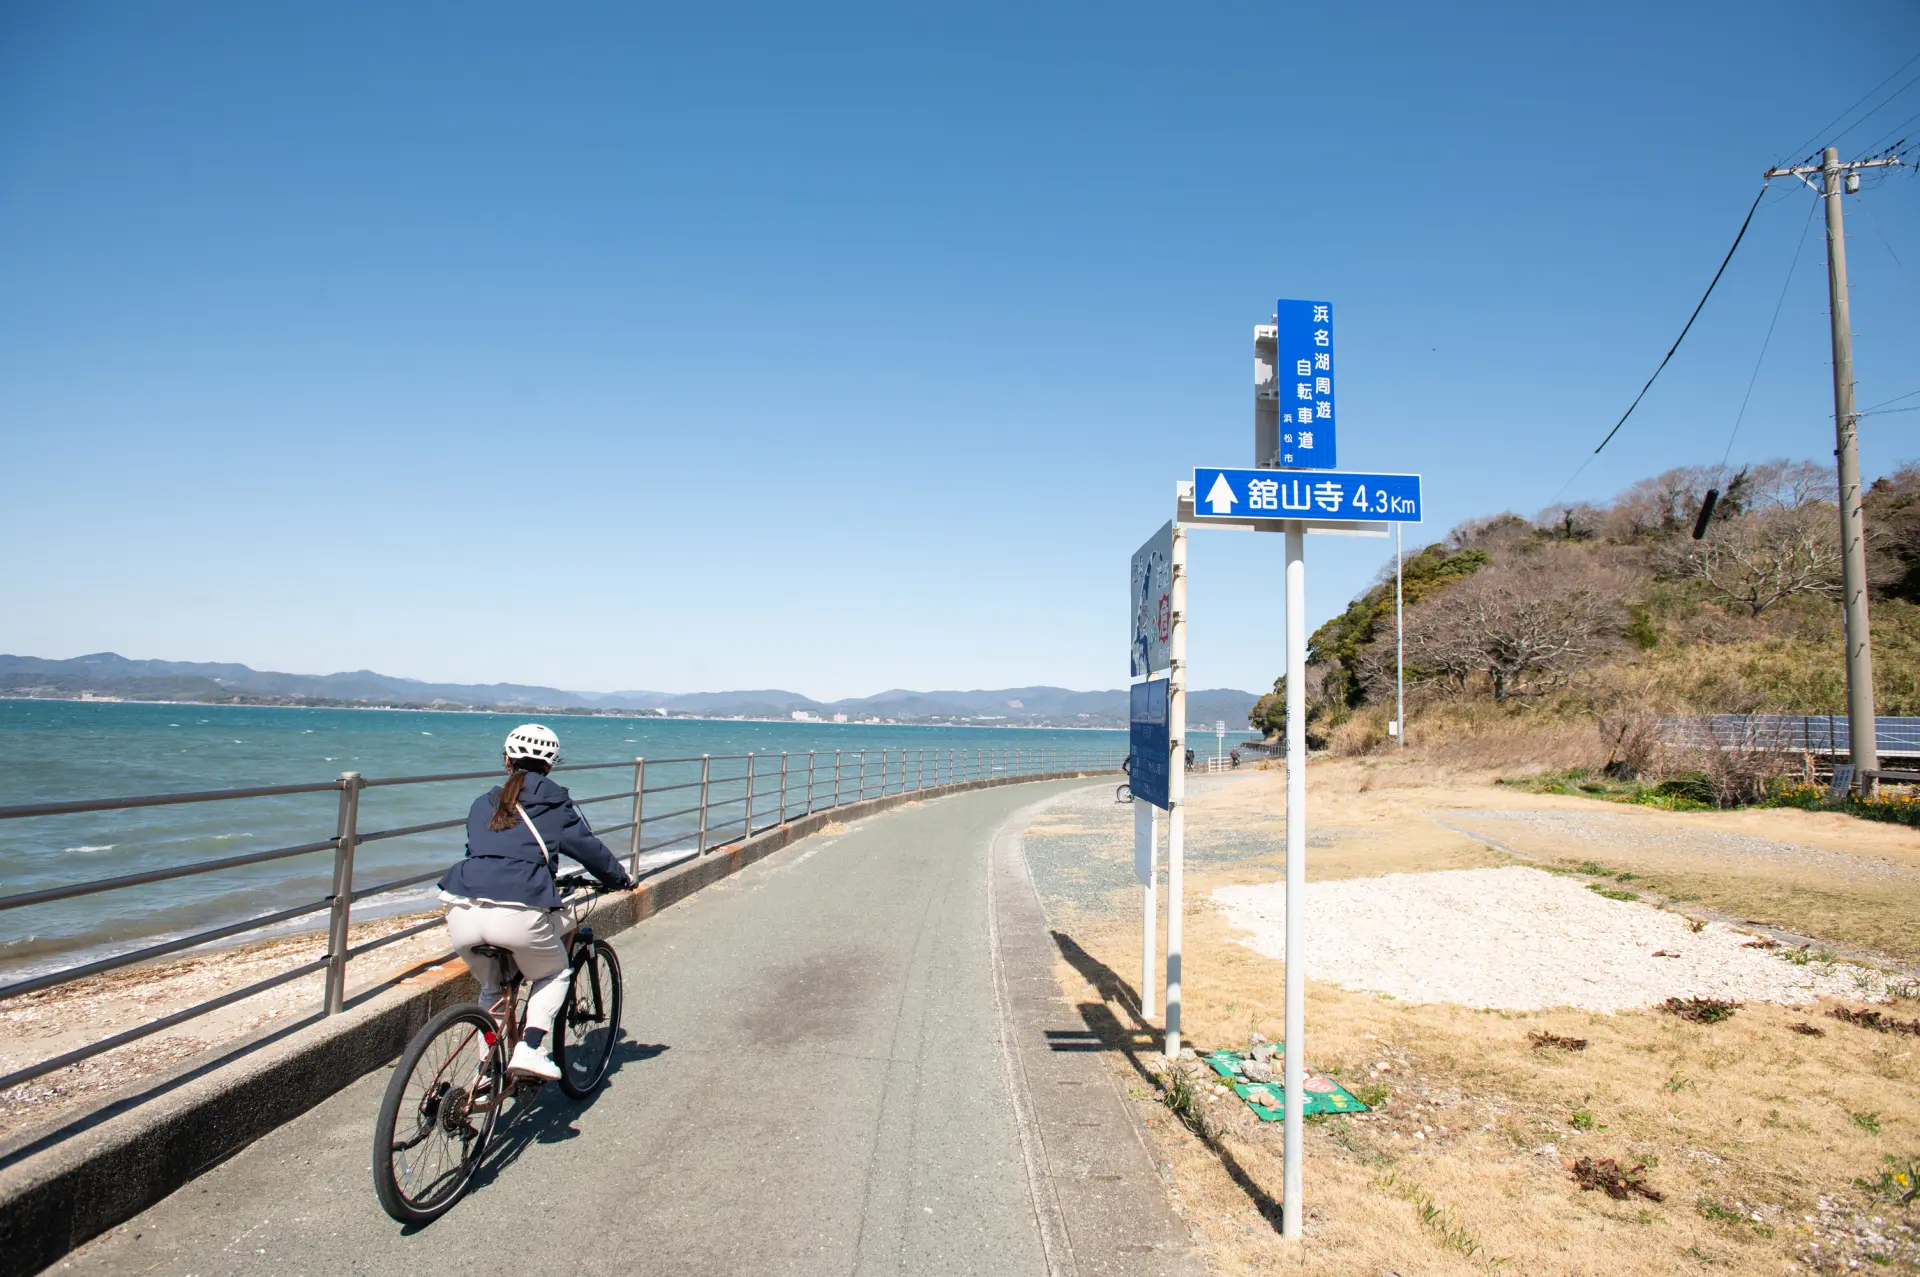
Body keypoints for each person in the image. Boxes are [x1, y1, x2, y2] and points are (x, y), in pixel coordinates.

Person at [438, 724, 634, 1081]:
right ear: (552, 764)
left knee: (492, 990)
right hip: (519, 911)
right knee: (556, 972)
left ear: (508, 759)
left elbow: (481, 852)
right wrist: (620, 879)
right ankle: (530, 1048)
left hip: (462, 909)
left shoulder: (483, 802)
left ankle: (485, 1079)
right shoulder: (555, 802)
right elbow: (590, 851)